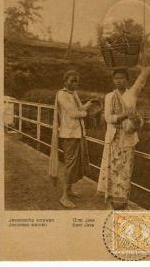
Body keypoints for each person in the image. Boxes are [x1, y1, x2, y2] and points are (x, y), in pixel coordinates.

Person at [97, 66, 150, 209]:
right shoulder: (109, 96)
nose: (118, 81)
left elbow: (142, 78)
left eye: (121, 78)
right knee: (112, 169)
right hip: (113, 138)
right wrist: (125, 116)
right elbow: (108, 118)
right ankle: (112, 200)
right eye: (116, 78)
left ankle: (122, 201)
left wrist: (144, 67)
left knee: (125, 170)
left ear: (127, 80)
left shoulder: (132, 94)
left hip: (128, 138)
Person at [49, 70, 93, 209]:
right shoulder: (62, 94)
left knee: (75, 163)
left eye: (77, 81)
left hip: (77, 133)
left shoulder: (73, 93)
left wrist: (90, 104)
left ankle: (69, 190)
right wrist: (85, 113)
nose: (75, 83)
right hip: (68, 134)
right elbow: (74, 113)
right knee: (70, 164)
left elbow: (79, 108)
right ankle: (64, 197)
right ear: (65, 81)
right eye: (72, 80)